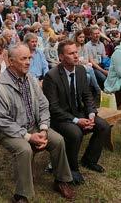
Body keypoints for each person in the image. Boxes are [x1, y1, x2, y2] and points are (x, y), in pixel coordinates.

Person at [0, 44, 75, 202]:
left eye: (29, 58)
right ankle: (22, 194)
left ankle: (61, 180)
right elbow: (3, 121)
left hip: (33, 126)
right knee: (24, 149)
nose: (28, 62)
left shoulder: (31, 79)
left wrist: (43, 128)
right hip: (7, 131)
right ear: (11, 61)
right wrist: (29, 137)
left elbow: (43, 105)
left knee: (58, 140)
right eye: (23, 58)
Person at [43, 40, 110, 185]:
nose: (75, 56)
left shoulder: (80, 70)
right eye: (71, 53)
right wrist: (77, 121)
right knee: (75, 133)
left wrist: (91, 114)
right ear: (61, 57)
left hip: (78, 112)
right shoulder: (51, 76)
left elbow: (87, 96)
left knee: (103, 126)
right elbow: (53, 108)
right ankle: (72, 169)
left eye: (76, 52)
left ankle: (89, 160)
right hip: (59, 118)